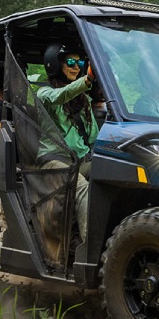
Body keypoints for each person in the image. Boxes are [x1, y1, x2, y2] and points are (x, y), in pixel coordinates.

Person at [36, 43, 99, 242]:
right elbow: (60, 96)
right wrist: (88, 79)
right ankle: (91, 251)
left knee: (111, 174)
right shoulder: (44, 93)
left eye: (80, 62)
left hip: (79, 161)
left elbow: (94, 136)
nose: (76, 67)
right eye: (70, 62)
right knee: (83, 190)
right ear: (54, 65)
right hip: (54, 160)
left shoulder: (84, 100)